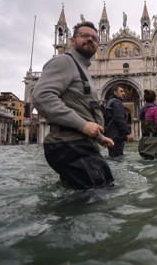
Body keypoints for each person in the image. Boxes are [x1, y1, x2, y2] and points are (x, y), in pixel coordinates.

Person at [32, 21, 115, 190]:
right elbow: (41, 96)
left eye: (94, 38)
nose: (90, 40)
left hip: (79, 144)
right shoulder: (64, 61)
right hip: (70, 144)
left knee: (102, 190)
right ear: (72, 40)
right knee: (96, 198)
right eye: (84, 36)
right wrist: (82, 125)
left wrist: (99, 137)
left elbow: (83, 108)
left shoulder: (82, 69)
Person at [138, 89, 157, 160]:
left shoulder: (142, 109)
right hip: (153, 144)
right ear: (155, 99)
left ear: (145, 100)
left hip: (143, 142)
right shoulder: (155, 109)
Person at [105, 85, 133, 157]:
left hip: (110, 135)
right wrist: (128, 133)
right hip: (116, 137)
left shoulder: (109, 102)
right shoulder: (116, 102)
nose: (123, 93)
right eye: (121, 91)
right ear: (115, 92)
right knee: (118, 159)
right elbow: (119, 119)